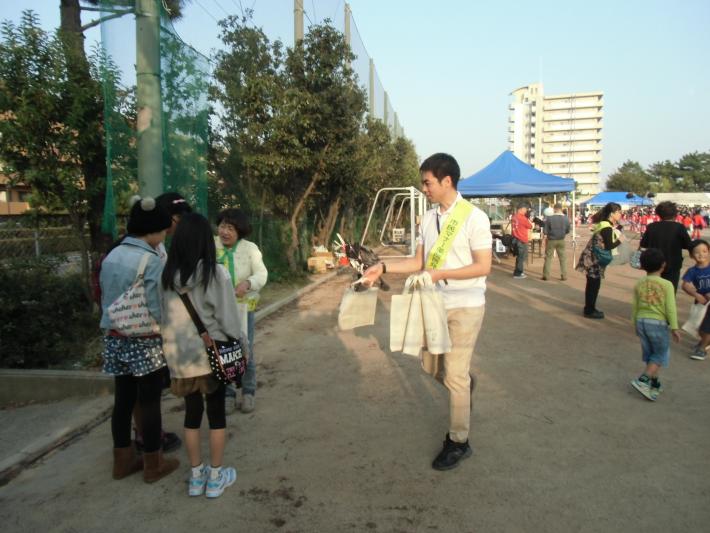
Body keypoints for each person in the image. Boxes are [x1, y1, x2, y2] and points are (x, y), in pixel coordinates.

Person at [361, 153, 492, 471]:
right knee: (430, 365)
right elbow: (419, 262)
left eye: (427, 182)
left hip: (466, 306)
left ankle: (459, 442)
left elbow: (483, 266)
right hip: (434, 304)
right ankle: (463, 384)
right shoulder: (429, 219)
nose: (424, 188)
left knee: (455, 375)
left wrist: (439, 274)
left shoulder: (475, 218)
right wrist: (383, 266)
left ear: (447, 181)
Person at [161, 212, 243, 498]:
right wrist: (242, 346)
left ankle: (197, 477)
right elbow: (229, 320)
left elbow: (164, 319)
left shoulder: (167, 276)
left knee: (192, 415)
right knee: (217, 415)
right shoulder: (214, 273)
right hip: (211, 357)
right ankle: (216, 477)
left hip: (181, 360)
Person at [99, 196, 179, 483]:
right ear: (153, 231)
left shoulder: (112, 255)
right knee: (149, 403)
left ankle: (121, 463)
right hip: (144, 341)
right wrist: (169, 333)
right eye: (162, 232)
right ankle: (153, 464)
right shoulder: (151, 259)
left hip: (114, 338)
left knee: (123, 401)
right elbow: (157, 306)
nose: (163, 238)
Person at [215, 208, 268, 413]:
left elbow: (261, 273)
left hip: (243, 308)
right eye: (222, 226)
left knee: (246, 350)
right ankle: (228, 394)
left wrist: (248, 283)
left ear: (239, 230)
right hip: (219, 310)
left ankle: (248, 391)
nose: (224, 232)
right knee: (225, 352)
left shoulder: (250, 249)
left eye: (230, 228)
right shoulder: (211, 245)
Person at [630, 248, 681, 401]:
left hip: (641, 320)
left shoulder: (639, 283)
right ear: (663, 265)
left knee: (651, 353)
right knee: (661, 353)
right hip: (657, 323)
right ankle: (643, 380)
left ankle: (654, 382)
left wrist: (635, 324)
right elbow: (670, 308)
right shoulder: (667, 284)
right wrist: (674, 327)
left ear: (643, 266)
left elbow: (635, 305)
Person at [575, 202, 624, 319]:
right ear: (612, 213)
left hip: (592, 257)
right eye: (619, 212)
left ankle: (590, 308)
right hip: (594, 260)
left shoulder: (604, 224)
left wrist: (618, 228)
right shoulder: (606, 227)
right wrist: (620, 240)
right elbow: (609, 245)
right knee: (593, 285)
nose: (620, 215)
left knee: (592, 284)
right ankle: (589, 310)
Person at [639, 201, 692, 292]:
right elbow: (688, 245)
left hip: (653, 265)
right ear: (675, 214)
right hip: (672, 265)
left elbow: (643, 244)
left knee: (654, 292)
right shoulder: (679, 227)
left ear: (659, 213)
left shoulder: (651, 226)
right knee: (670, 291)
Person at [681, 239, 710, 361]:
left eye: (704, 251)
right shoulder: (692, 271)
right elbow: (685, 285)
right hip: (701, 303)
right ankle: (705, 341)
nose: (701, 254)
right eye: (697, 252)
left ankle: (702, 348)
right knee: (699, 325)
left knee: (706, 327)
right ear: (692, 255)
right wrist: (696, 294)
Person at [541, 203, 570, 281]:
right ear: (561, 208)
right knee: (562, 258)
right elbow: (568, 230)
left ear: (555, 209)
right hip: (561, 240)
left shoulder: (549, 218)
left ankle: (546, 275)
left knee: (548, 258)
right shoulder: (566, 218)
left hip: (551, 240)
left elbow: (545, 231)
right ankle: (564, 275)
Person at [511, 202, 532, 279]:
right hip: (522, 239)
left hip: (516, 239)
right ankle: (518, 273)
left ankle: (517, 271)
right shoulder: (522, 218)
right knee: (521, 257)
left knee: (518, 257)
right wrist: (529, 219)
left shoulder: (514, 217)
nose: (526, 211)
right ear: (521, 209)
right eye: (525, 209)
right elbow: (530, 226)